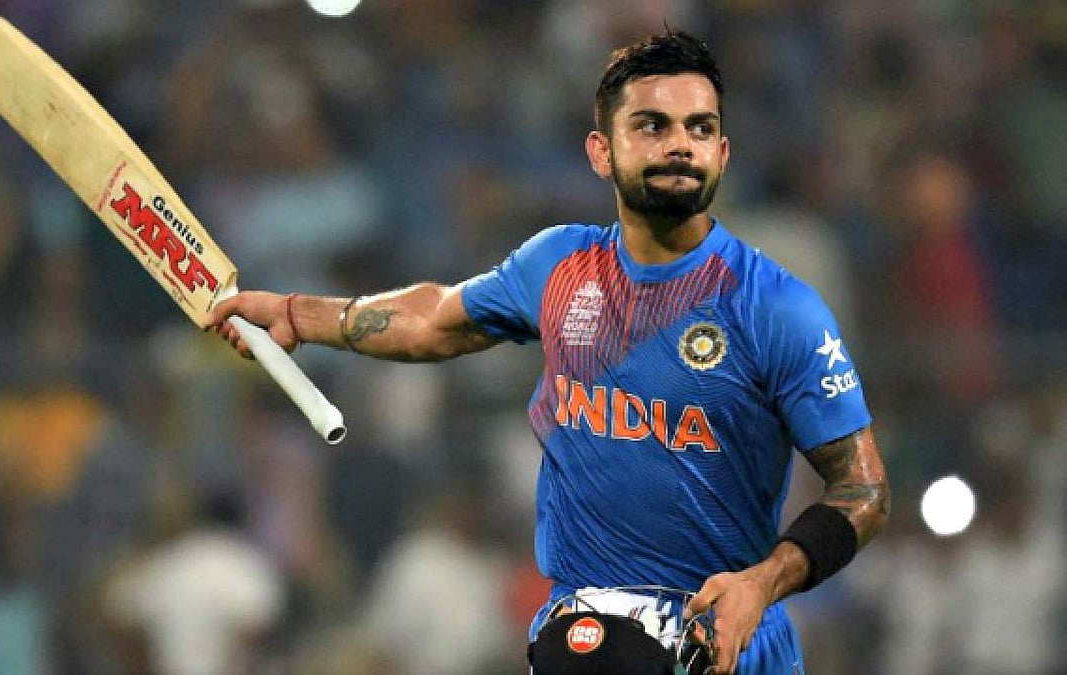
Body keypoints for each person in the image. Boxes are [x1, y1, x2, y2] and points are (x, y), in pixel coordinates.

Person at [207, 30, 889, 675]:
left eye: (699, 128)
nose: (680, 144)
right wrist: (299, 315)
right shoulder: (559, 264)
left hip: (727, 638)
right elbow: (437, 319)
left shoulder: (776, 306)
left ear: (723, 152)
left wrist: (763, 582)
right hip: (589, 635)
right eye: (652, 125)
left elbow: (864, 489)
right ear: (601, 151)